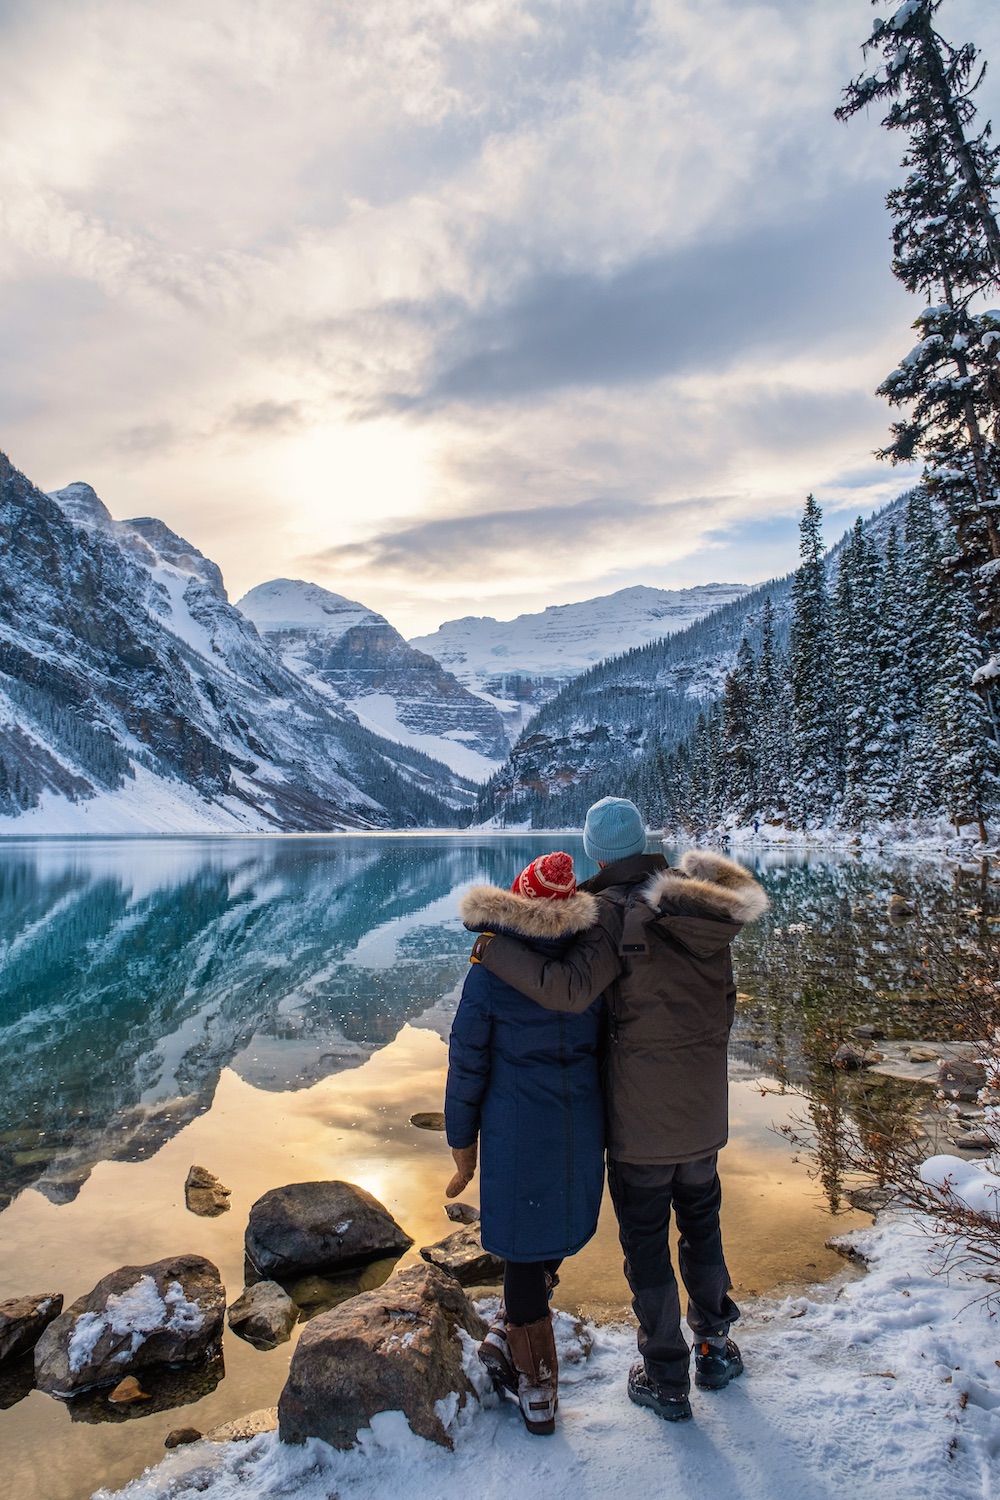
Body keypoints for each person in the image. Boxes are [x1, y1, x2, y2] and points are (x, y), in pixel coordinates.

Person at [468, 797, 768, 1423]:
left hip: (638, 1120)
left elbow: (569, 989)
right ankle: (715, 1346)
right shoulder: (699, 908)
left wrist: (494, 949)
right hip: (703, 1108)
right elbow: (723, 1004)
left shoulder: (609, 914)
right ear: (646, 842)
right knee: (703, 1226)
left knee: (647, 1245)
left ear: (596, 854)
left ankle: (665, 1377)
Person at [444, 851, 605, 1437]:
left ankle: (536, 1387)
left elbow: (467, 1059)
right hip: (580, 1124)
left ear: (517, 901)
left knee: (520, 1251)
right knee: (549, 1232)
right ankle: (508, 1335)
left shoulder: (491, 967)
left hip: (515, 1128)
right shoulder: (592, 965)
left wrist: (461, 1139)